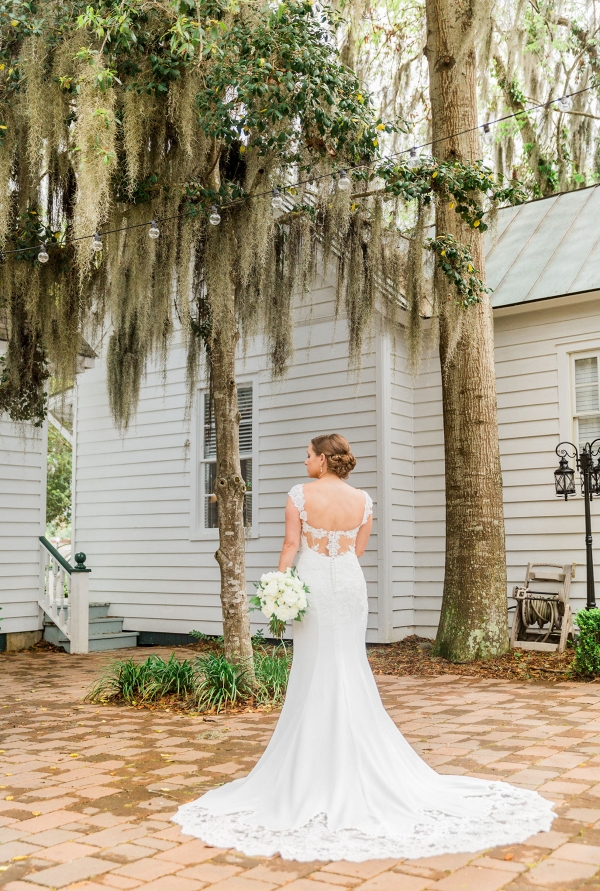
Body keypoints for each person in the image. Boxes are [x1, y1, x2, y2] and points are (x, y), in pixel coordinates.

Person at [174, 433, 554, 862]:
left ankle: (316, 764)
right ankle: (351, 753)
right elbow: (356, 550)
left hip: (312, 586)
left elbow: (291, 545)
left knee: (315, 665)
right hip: (350, 586)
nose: (304, 461)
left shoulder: (299, 495)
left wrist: (278, 586)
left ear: (323, 459)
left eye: (308, 454)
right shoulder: (363, 500)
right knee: (348, 663)